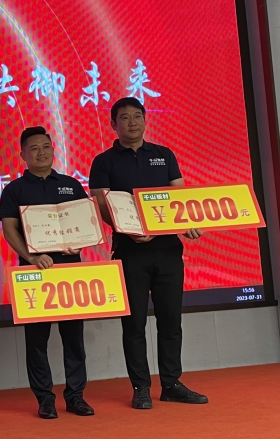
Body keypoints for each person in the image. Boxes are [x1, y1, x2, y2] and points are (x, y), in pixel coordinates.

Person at [89, 97, 208, 409]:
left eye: (137, 116)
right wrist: (130, 230)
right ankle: (140, 387)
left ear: (145, 120)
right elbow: (101, 204)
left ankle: (171, 384)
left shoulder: (163, 154)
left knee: (171, 321)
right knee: (134, 324)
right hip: (130, 251)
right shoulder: (104, 161)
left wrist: (186, 222)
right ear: (113, 124)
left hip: (168, 249)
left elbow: (179, 196)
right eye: (124, 118)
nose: (132, 122)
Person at [0, 127, 96, 419]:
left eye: (46, 147)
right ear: (22, 155)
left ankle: (76, 396)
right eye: (34, 148)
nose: (41, 153)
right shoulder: (14, 189)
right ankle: (44, 399)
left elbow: (86, 223)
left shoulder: (71, 185)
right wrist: (30, 256)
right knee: (36, 340)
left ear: (54, 150)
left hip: (69, 270)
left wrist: (79, 243)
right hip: (34, 271)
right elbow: (9, 229)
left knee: (74, 337)